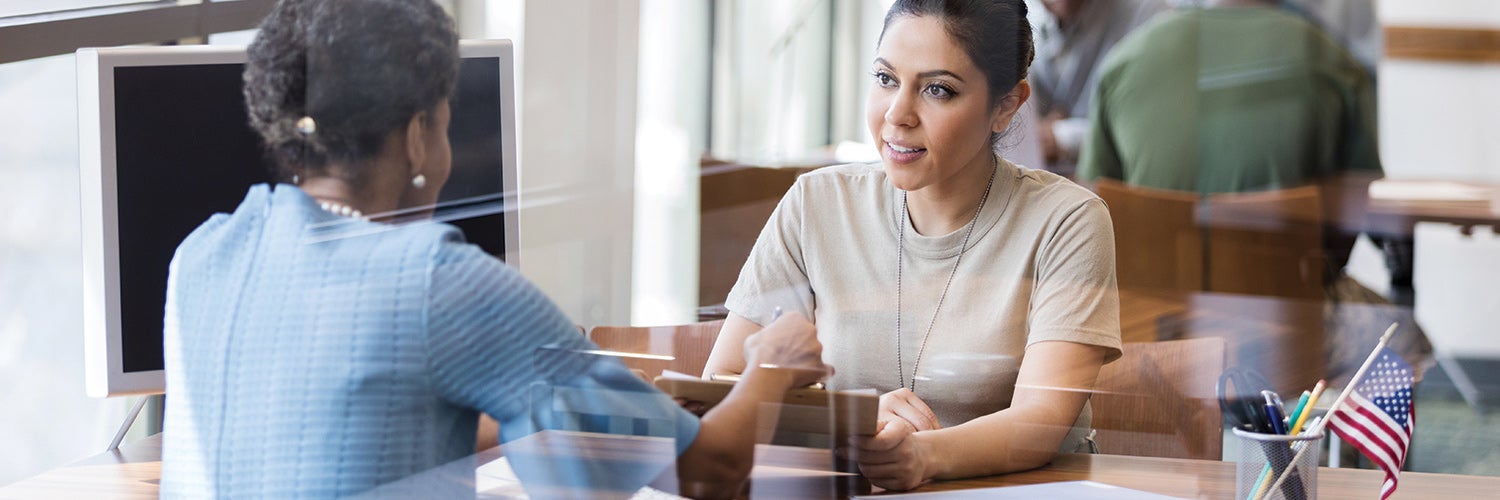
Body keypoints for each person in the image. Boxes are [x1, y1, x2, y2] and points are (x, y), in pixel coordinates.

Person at [159, 0, 829, 497]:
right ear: (419, 137)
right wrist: (768, 368)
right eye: (446, 124)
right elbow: (711, 471)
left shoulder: (200, 257)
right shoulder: (438, 282)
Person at [702, 0, 1122, 491]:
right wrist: (851, 418)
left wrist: (922, 456)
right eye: (885, 79)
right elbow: (723, 381)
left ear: (1006, 105)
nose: (898, 115)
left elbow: (1042, 419)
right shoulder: (817, 203)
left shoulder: (1066, 220)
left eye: (937, 90)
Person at [1076, 0, 1380, 194]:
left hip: (1150, 293)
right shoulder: (1333, 61)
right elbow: (1365, 204)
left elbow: (1094, 198)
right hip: (1292, 290)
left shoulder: (1122, 62)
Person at [1028, 0, 1168, 175]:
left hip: (1115, 190)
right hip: (1042, 185)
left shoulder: (1150, 16)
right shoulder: (1022, 17)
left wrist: (1063, 137)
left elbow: (1150, 132)